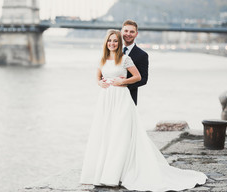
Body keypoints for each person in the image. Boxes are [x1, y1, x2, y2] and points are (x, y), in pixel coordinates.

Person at [80, 29, 207, 191]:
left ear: (119, 43)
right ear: (106, 42)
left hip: (121, 98)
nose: (112, 43)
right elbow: (98, 77)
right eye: (110, 41)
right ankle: (103, 172)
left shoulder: (125, 59)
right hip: (106, 100)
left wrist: (123, 82)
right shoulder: (102, 59)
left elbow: (138, 77)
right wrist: (101, 83)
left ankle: (116, 174)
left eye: (115, 41)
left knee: (120, 133)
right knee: (106, 133)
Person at [121, 19, 148, 105]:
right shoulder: (113, 51)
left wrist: (124, 85)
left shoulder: (142, 55)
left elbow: (144, 79)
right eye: (126, 31)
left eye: (132, 32)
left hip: (129, 98)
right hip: (111, 96)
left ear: (136, 34)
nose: (128, 34)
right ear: (121, 32)